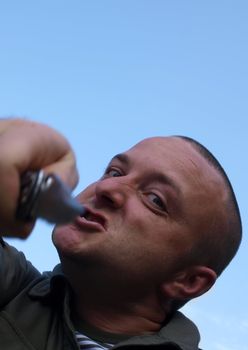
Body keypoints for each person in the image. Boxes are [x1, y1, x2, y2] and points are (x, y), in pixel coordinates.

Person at [0, 118, 242, 350]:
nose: (106, 187)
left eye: (155, 199)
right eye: (115, 172)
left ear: (187, 280)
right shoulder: (12, 288)